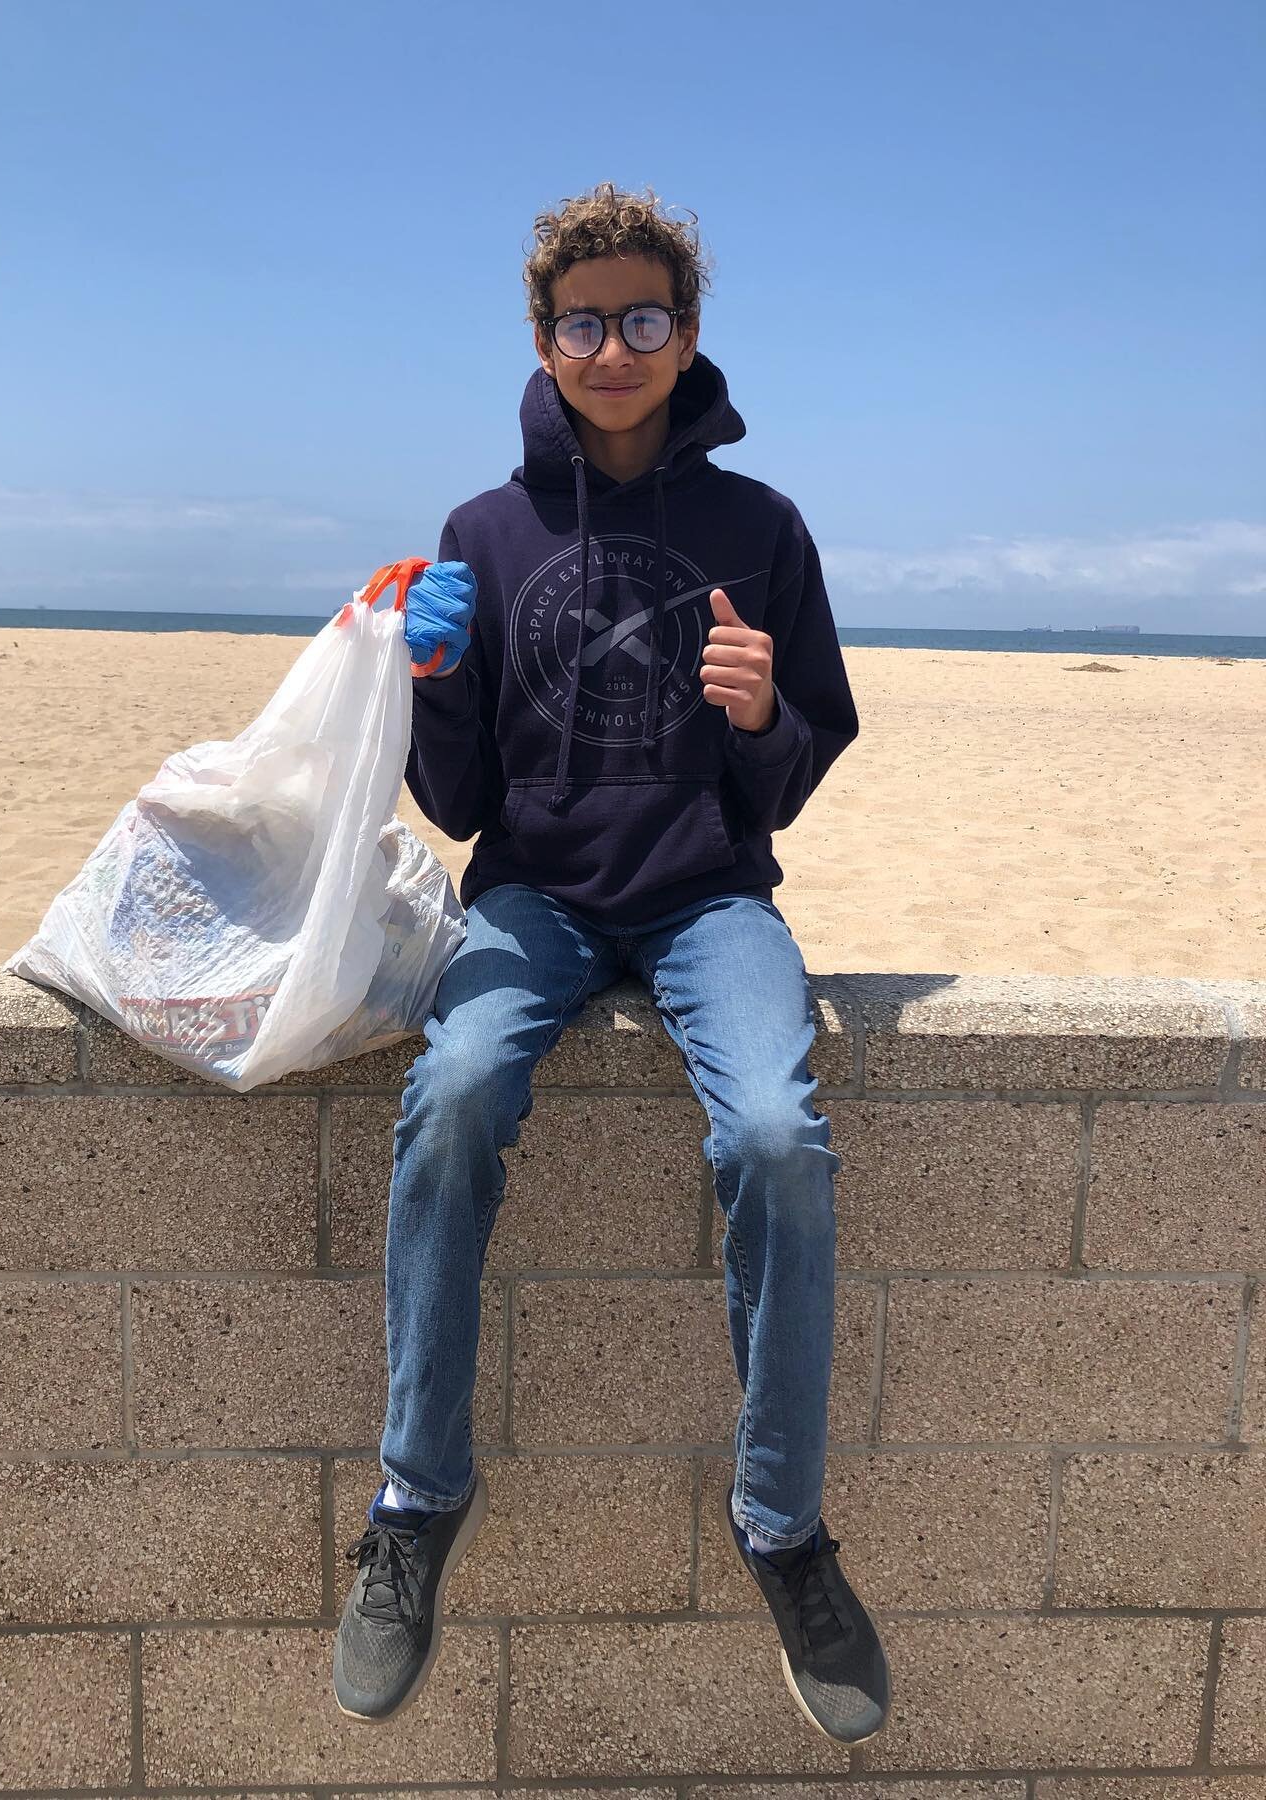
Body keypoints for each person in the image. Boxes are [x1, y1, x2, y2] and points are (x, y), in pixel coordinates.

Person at [332, 182, 890, 1746]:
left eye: (645, 319)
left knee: (780, 1134)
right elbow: (451, 806)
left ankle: (781, 1527)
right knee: (448, 1095)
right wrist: (431, 670)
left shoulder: (761, 530)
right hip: (535, 902)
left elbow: (795, 768)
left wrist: (758, 711)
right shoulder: (484, 531)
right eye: (585, 323)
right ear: (544, 340)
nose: (615, 347)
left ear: (688, 334)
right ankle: (415, 1500)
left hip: (711, 898)